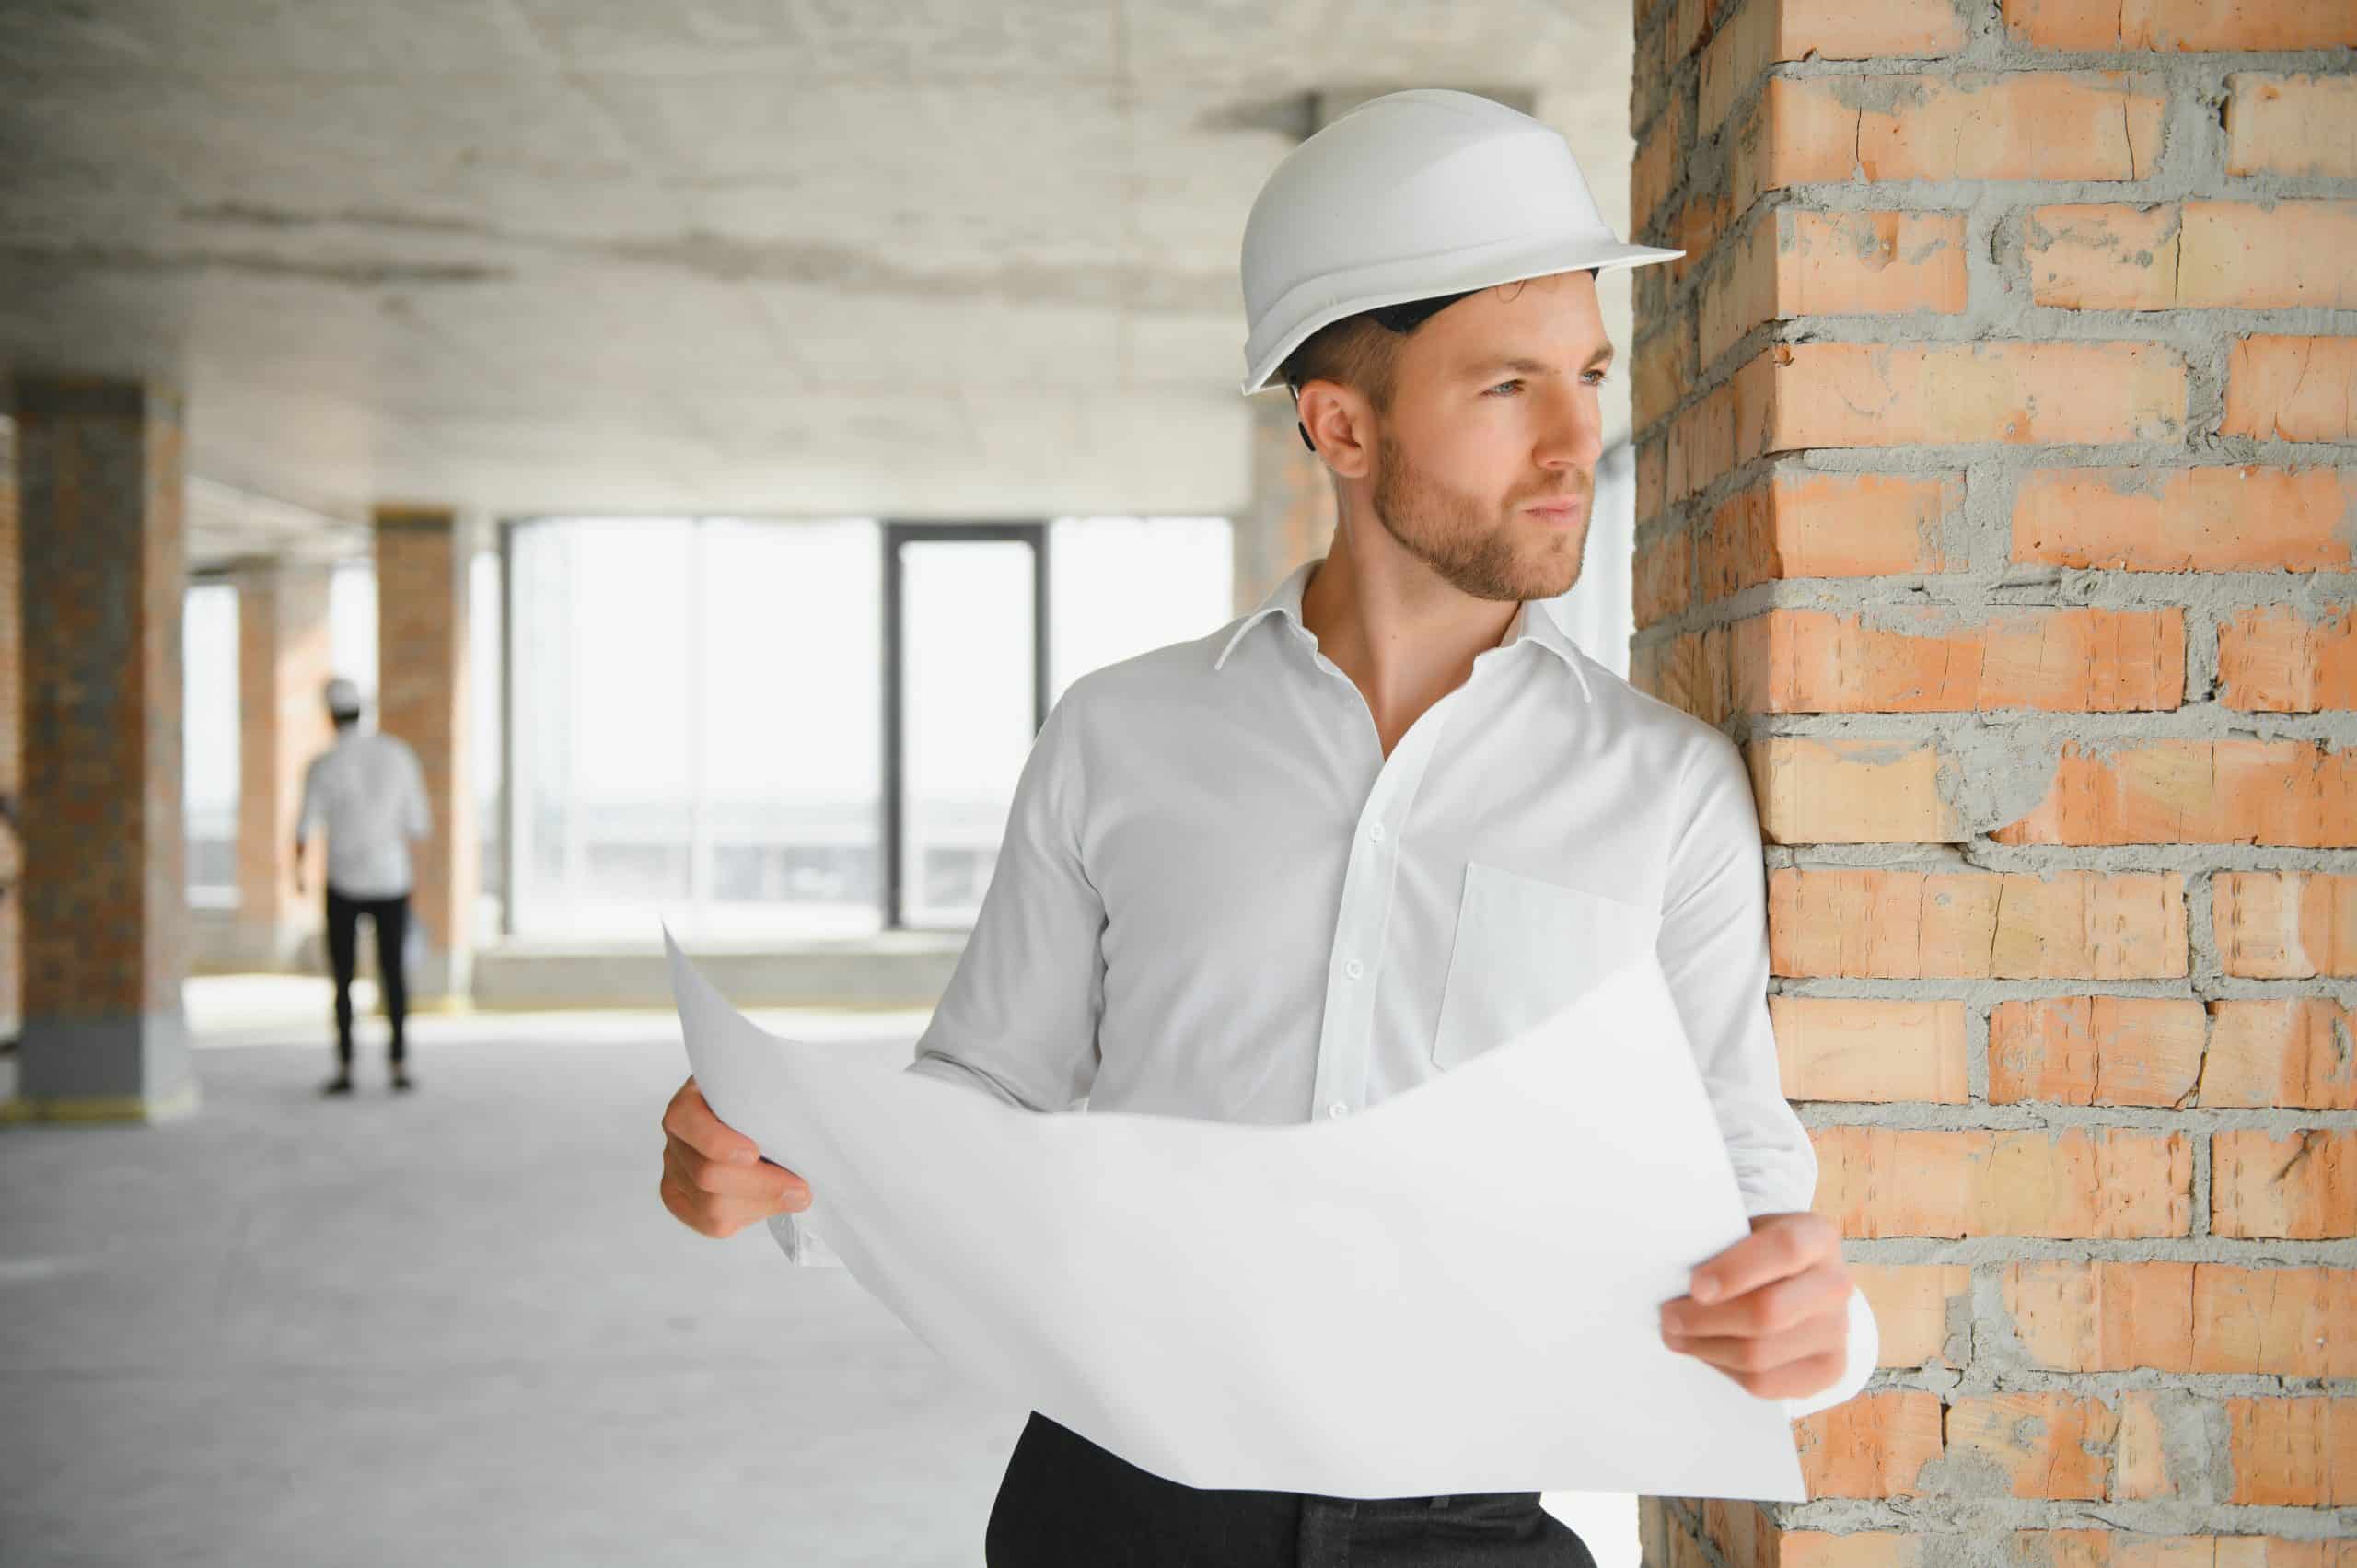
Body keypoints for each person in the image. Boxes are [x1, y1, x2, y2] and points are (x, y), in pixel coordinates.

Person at [658, 90, 1879, 1565]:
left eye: (1589, 372)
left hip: (1470, 1531)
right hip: (1111, 1504)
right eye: (1507, 387)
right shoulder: (1120, 739)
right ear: (1341, 421)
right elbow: (982, 1103)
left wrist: (1826, 1324)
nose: (1575, 440)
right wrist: (785, 1170)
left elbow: (1747, 1194)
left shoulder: (1667, 791)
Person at [294, 676, 430, 1096]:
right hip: (392, 880)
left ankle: (347, 1068)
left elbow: (302, 830)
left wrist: (296, 876)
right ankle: (399, 1064)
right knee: (394, 975)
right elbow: (418, 826)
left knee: (344, 979)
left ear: (330, 716)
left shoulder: (324, 764)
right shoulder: (398, 755)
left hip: (343, 883)